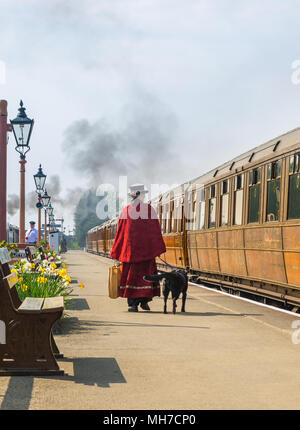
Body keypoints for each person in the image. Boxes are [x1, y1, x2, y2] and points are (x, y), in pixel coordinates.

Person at [110, 184, 166, 312]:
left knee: (131, 278)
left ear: (131, 196)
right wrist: (157, 248)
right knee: (147, 277)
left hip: (130, 254)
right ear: (141, 196)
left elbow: (121, 233)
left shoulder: (126, 211)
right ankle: (144, 302)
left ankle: (133, 304)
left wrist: (117, 251)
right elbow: (155, 231)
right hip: (147, 253)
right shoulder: (149, 210)